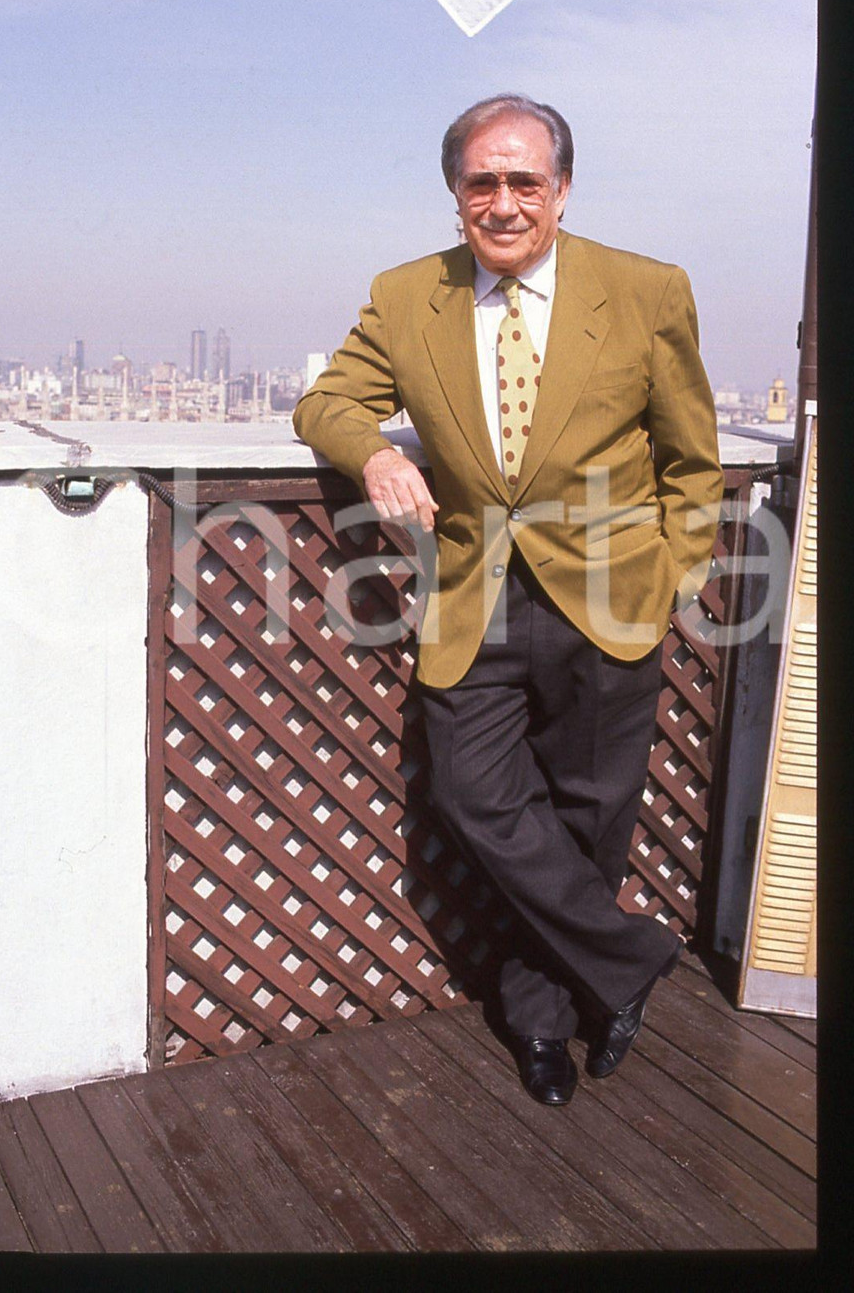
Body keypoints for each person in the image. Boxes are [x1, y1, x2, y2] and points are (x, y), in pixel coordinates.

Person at [292, 94, 723, 1106]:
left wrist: (672, 581)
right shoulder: (407, 297)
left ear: (561, 190)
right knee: (474, 795)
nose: (503, 201)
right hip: (470, 592)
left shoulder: (646, 289)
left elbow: (691, 460)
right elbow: (327, 400)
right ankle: (630, 959)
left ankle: (543, 1021)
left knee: (589, 813)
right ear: (454, 195)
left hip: (611, 595)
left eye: (524, 180)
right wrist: (369, 457)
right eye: (481, 180)